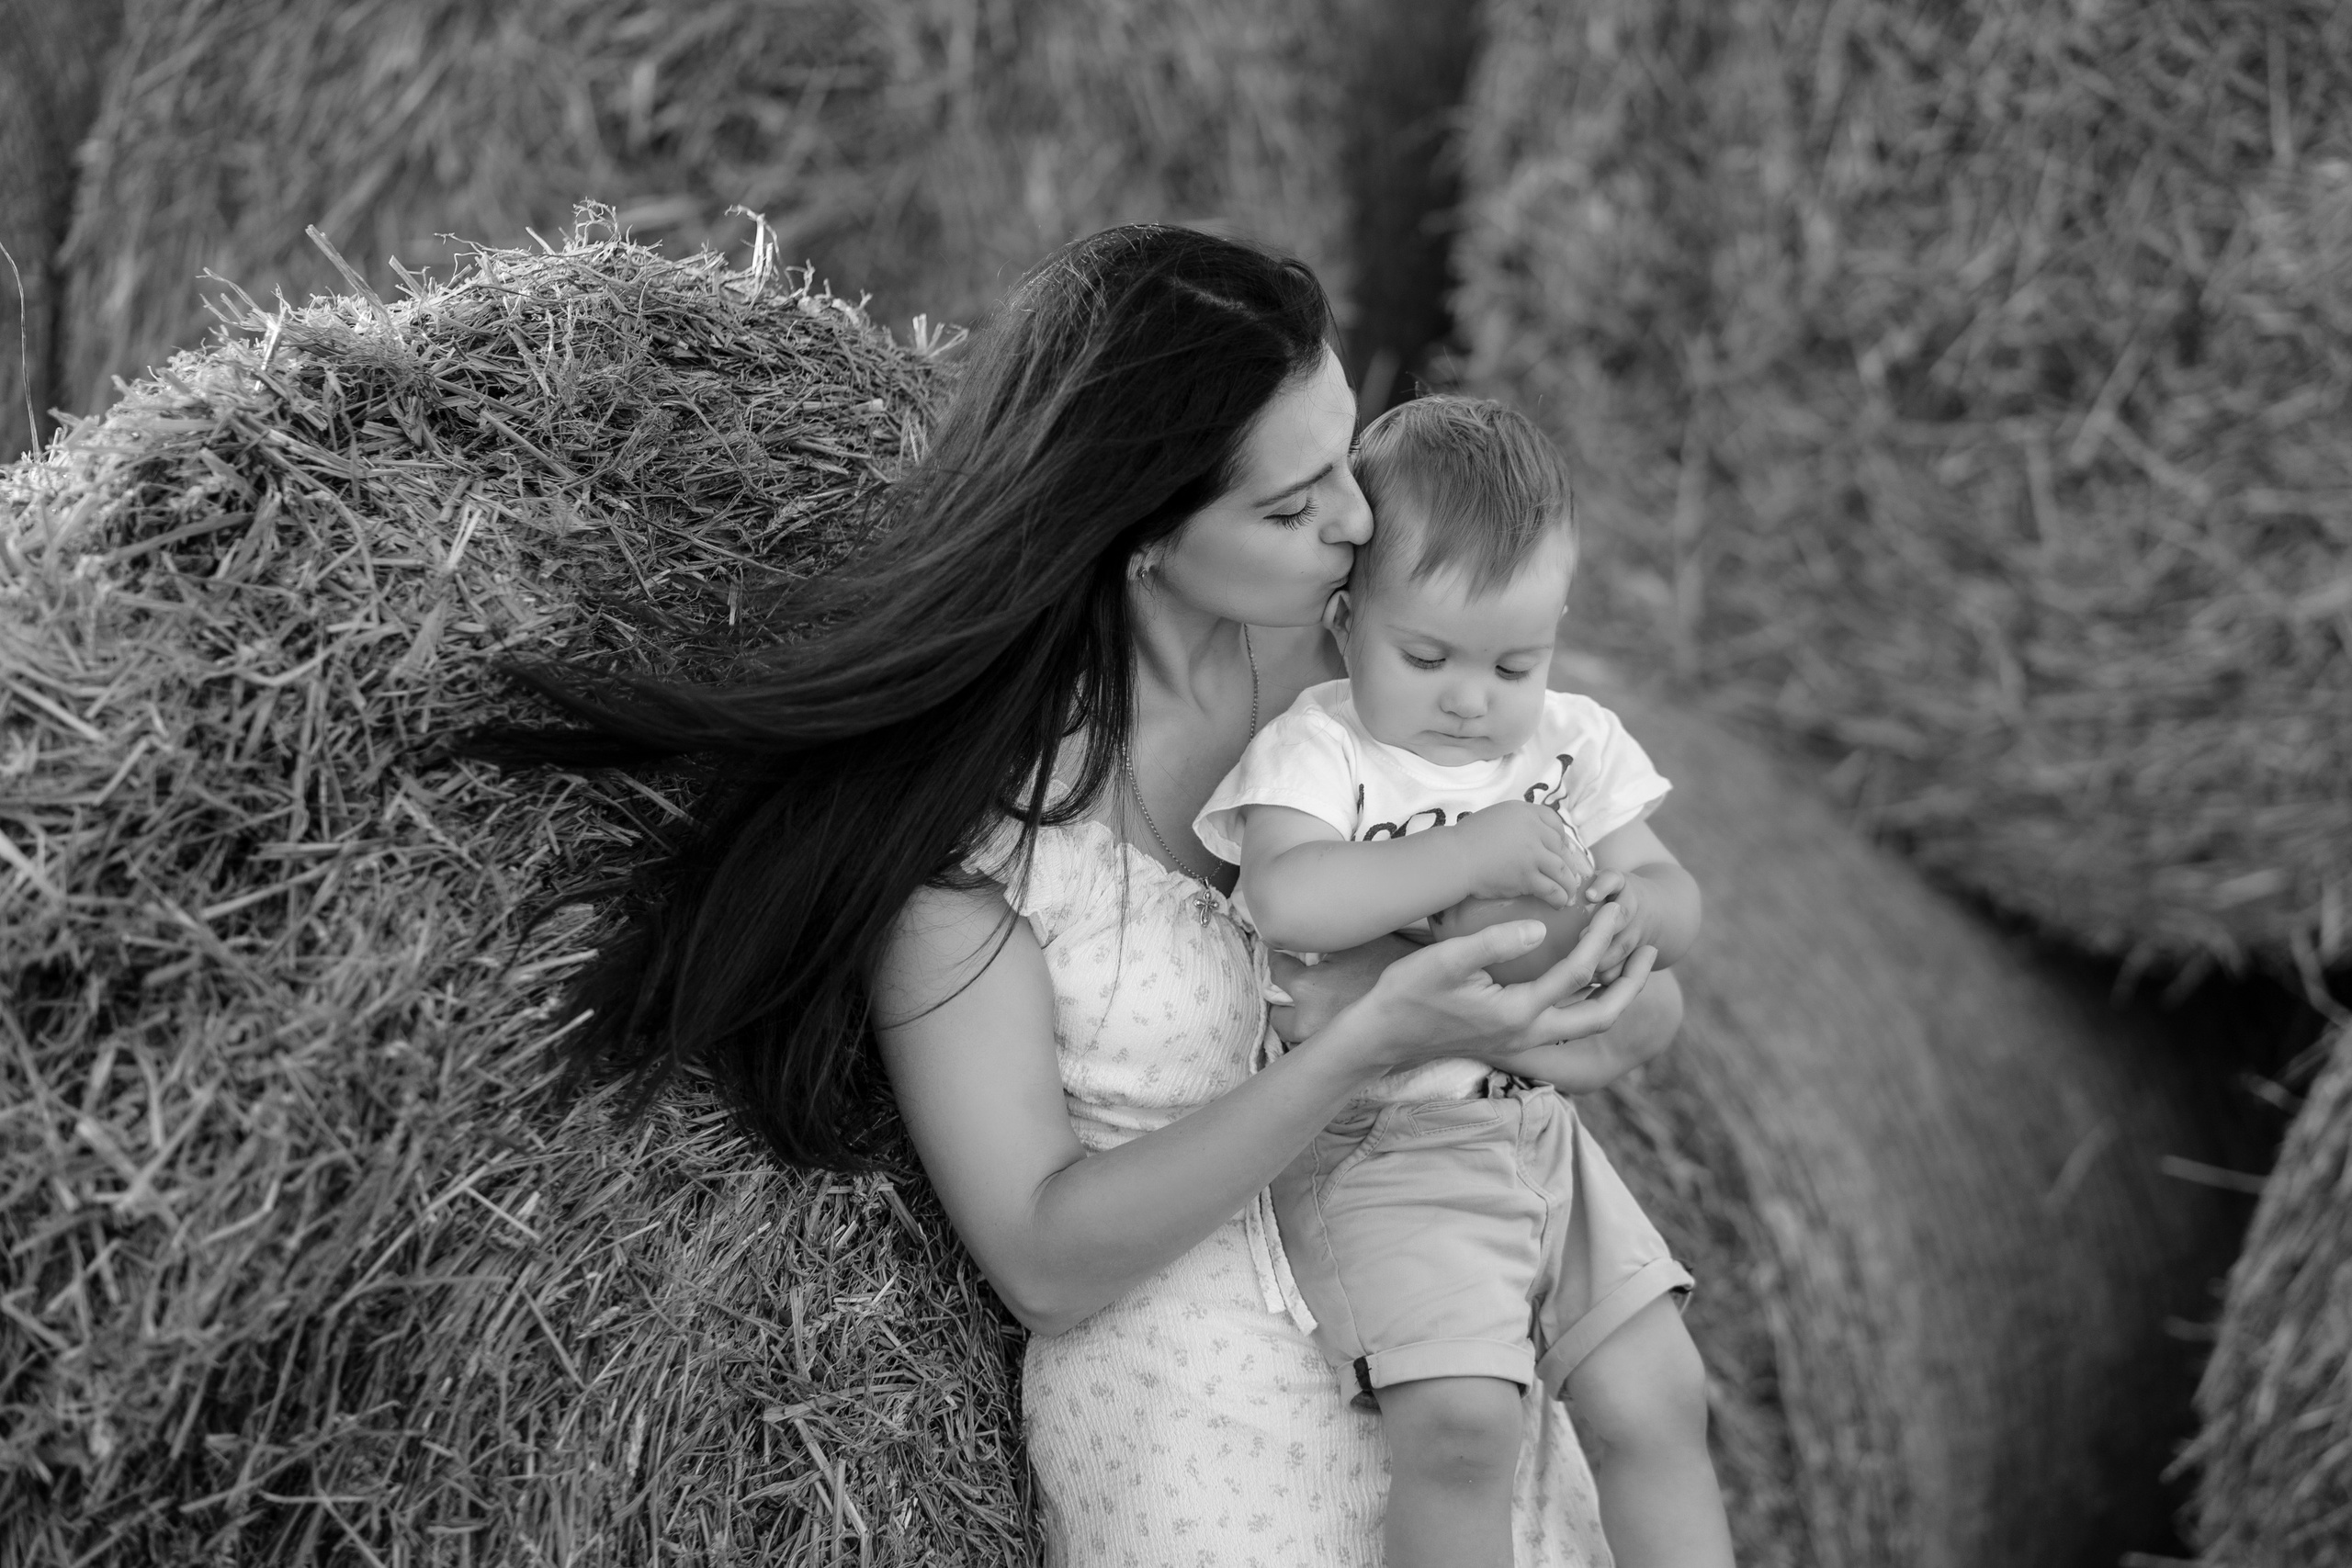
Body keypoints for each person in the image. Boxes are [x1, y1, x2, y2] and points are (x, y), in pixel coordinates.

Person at [485, 225, 1690, 1564]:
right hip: (1211, 1427)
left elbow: (1595, 960)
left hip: (1450, 1329)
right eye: (1292, 508)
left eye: (1345, 454)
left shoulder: (1377, 689)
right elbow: (1045, 1258)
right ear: (1142, 539)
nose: (1359, 519)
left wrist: (1600, 1010)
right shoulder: (978, 846)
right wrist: (1364, 1047)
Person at [1193, 395, 1734, 1568]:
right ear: (1348, 620)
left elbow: (1674, 894)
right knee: (1462, 1428)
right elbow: (1288, 900)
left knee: (1663, 1397)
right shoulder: (1321, 747)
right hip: (1382, 1146)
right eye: (1426, 656)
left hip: (1543, 1138)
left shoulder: (1571, 745)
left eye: (1514, 662)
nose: (1469, 699)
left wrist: (1639, 906)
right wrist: (1466, 854)